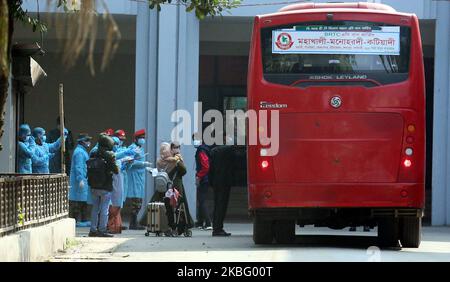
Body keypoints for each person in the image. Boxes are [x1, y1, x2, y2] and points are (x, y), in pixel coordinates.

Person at [88, 134, 119, 237]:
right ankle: (102, 230)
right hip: (105, 185)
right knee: (104, 208)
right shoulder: (110, 155)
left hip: (93, 185)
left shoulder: (93, 153)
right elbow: (116, 170)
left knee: (95, 208)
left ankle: (93, 230)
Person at [107, 136, 134, 234]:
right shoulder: (109, 154)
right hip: (112, 184)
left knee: (117, 205)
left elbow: (119, 164)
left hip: (118, 182)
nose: (117, 145)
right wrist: (125, 154)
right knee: (110, 206)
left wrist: (126, 163)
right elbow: (114, 158)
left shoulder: (115, 154)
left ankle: (115, 226)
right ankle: (109, 226)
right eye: (115, 144)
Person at [209, 136, 235, 236]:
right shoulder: (228, 150)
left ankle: (216, 227)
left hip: (216, 181)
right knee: (222, 205)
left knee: (217, 205)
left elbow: (211, 168)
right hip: (225, 182)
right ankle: (218, 228)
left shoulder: (214, 151)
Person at [126, 129, 151, 230]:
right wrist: (143, 164)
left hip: (140, 178)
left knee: (138, 202)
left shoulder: (140, 149)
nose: (143, 140)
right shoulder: (132, 148)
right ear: (136, 139)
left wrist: (147, 168)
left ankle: (134, 222)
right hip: (134, 177)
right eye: (141, 138)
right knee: (136, 202)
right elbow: (129, 162)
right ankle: (133, 223)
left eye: (144, 138)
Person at [69, 133, 93, 227]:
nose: (89, 142)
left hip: (82, 179)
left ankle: (83, 220)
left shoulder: (81, 151)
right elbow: (78, 167)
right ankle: (75, 221)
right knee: (78, 202)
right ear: (82, 141)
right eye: (87, 140)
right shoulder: (79, 152)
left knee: (82, 201)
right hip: (79, 181)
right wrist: (80, 179)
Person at [193, 133, 212, 230]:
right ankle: (200, 222)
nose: (194, 141)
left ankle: (208, 223)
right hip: (203, 178)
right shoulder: (202, 150)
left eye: (195, 139)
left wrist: (199, 176)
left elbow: (206, 166)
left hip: (203, 179)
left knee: (202, 200)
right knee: (200, 200)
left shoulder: (201, 151)